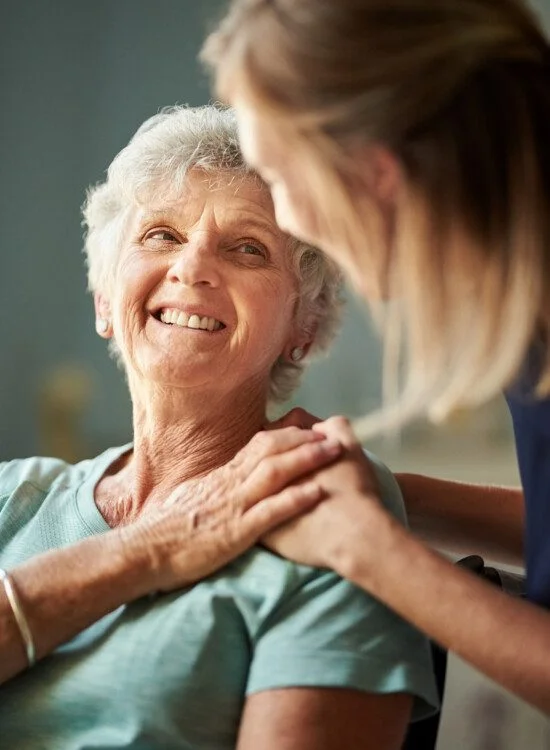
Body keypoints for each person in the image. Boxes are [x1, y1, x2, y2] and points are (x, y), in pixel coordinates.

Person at [0, 105, 437, 749]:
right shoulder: (12, 497)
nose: (193, 267)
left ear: (303, 329)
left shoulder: (326, 509)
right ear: (103, 300)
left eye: (248, 248)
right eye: (159, 235)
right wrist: (146, 550)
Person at [202, 0, 550, 715]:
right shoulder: (529, 311)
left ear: (375, 170)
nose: (290, 219)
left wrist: (370, 552)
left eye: (280, 178)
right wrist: (390, 496)